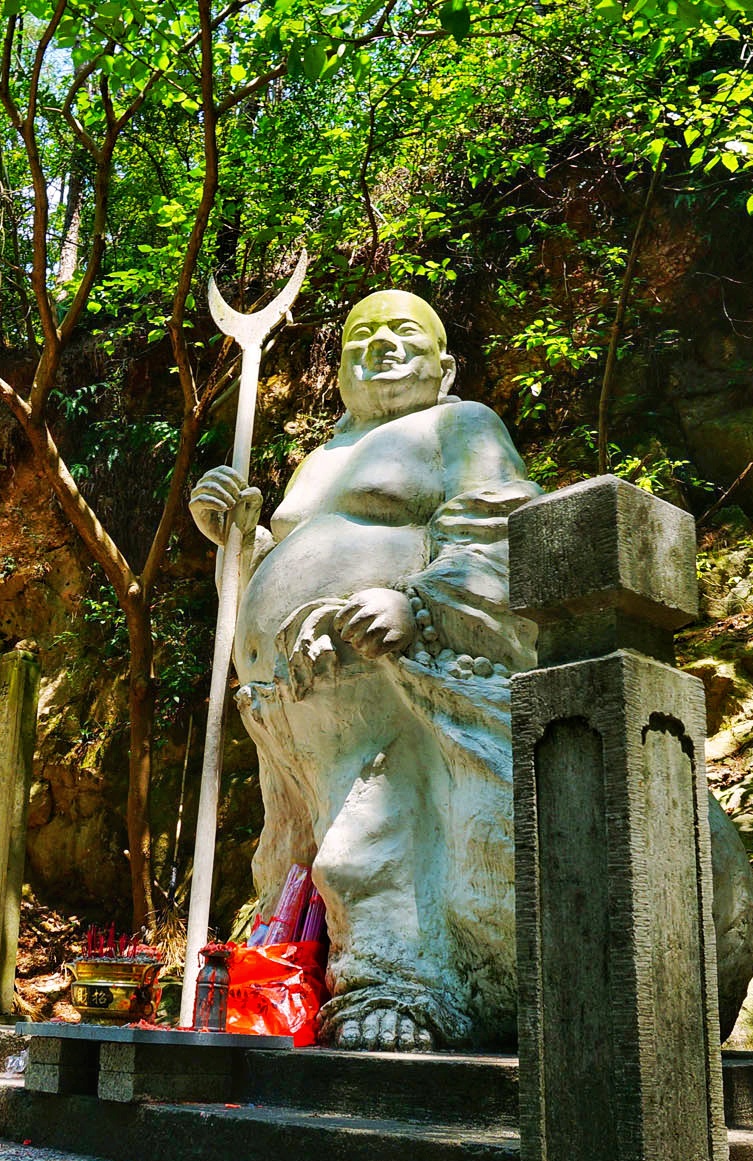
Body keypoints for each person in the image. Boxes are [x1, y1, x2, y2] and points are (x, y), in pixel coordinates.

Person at [190, 289, 539, 1050]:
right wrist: (236, 540)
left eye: (403, 332)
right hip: (294, 707)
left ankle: (403, 987)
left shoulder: (459, 426)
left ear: (445, 368)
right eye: (361, 335)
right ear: (340, 373)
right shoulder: (318, 461)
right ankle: (326, 982)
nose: (381, 344)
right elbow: (265, 581)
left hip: (398, 679)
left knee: (371, 842)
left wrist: (419, 601)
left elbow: (508, 531)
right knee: (309, 866)